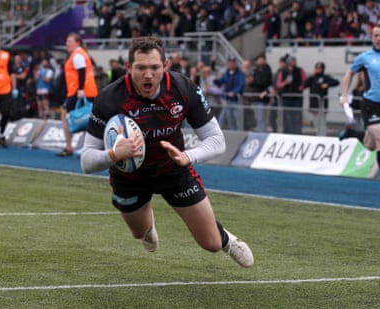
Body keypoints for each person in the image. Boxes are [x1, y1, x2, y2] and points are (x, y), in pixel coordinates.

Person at [80, 36, 253, 268]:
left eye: (154, 67)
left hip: (173, 170)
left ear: (166, 65)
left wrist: (187, 156)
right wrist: (114, 154)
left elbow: (217, 141)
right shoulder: (110, 98)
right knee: (139, 233)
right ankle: (147, 225)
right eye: (140, 68)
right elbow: (86, 161)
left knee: (210, 243)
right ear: (128, 67)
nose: (148, 75)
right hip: (129, 178)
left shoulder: (183, 89)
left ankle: (226, 239)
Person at [338, 21, 380, 195]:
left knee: (370, 145)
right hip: (370, 105)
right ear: (372, 37)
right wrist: (345, 95)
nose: (378, 38)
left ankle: (351, 133)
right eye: (375, 35)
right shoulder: (365, 57)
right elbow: (349, 73)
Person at [57, 32, 98, 156]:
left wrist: (80, 89)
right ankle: (87, 147)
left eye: (70, 41)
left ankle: (69, 146)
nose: (67, 43)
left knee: (65, 115)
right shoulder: (81, 54)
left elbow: (81, 71)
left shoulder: (77, 55)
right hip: (86, 90)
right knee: (88, 119)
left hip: (79, 91)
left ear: (77, 42)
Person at [303, 62, 340, 134]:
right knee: (315, 122)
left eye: (320, 68)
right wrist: (311, 75)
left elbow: (336, 82)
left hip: (321, 103)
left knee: (322, 122)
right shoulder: (312, 78)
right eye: (317, 68)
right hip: (313, 103)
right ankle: (318, 134)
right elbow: (304, 84)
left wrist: (327, 84)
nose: (318, 70)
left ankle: (323, 135)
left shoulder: (325, 77)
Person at [214, 56, 246, 130]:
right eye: (230, 63)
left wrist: (234, 92)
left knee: (237, 118)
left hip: (236, 100)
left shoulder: (240, 74)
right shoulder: (227, 73)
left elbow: (241, 85)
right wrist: (216, 81)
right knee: (229, 118)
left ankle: (239, 132)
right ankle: (233, 131)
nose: (231, 64)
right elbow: (221, 82)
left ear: (235, 63)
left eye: (233, 62)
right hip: (228, 99)